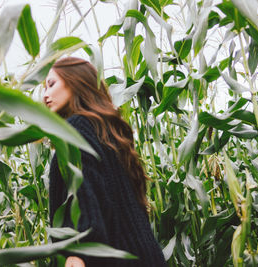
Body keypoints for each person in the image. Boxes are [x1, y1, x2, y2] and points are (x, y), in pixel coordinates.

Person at [44, 56, 167, 267]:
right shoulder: (111, 134)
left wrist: (78, 250)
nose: (45, 95)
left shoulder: (76, 129)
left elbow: (84, 191)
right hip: (144, 254)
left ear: (76, 81)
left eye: (51, 84)